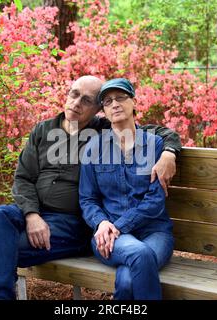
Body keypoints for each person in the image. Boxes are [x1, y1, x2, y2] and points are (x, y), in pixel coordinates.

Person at [0, 75, 181, 300]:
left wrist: (169, 152)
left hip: (72, 224)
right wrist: (31, 214)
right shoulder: (44, 130)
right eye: (74, 94)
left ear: (97, 110)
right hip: (41, 215)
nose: (76, 103)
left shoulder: (104, 130)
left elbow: (155, 132)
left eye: (86, 100)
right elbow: (23, 178)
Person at [79, 78, 174, 300]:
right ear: (103, 110)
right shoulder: (93, 147)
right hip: (107, 234)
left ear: (134, 102)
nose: (115, 104)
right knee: (138, 254)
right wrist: (102, 223)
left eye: (121, 97)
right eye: (108, 101)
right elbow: (87, 198)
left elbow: (155, 200)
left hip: (154, 232)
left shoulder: (154, 145)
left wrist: (118, 227)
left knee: (127, 281)